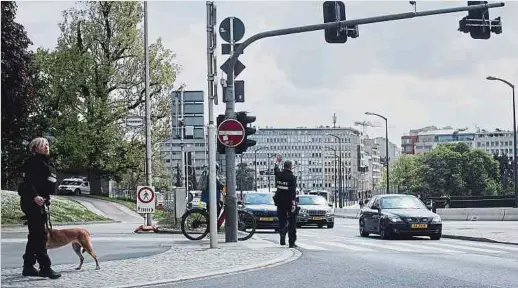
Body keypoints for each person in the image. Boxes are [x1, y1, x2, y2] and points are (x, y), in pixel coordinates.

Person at [18, 137, 61, 279]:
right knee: (41, 236)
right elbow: (27, 183)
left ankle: (28, 267)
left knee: (34, 236)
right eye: (43, 145)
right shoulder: (33, 162)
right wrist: (35, 196)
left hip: (41, 201)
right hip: (32, 202)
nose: (46, 147)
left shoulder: (46, 162)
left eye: (47, 144)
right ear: (35, 148)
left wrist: (45, 198)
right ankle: (45, 268)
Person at [273, 156, 298, 248]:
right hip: (289, 202)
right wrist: (293, 204)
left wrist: (276, 162)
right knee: (292, 222)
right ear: (290, 167)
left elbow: (276, 170)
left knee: (282, 221)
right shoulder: (292, 177)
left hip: (279, 201)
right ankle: (291, 242)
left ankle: (282, 234)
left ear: (284, 166)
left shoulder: (279, 175)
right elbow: (293, 192)